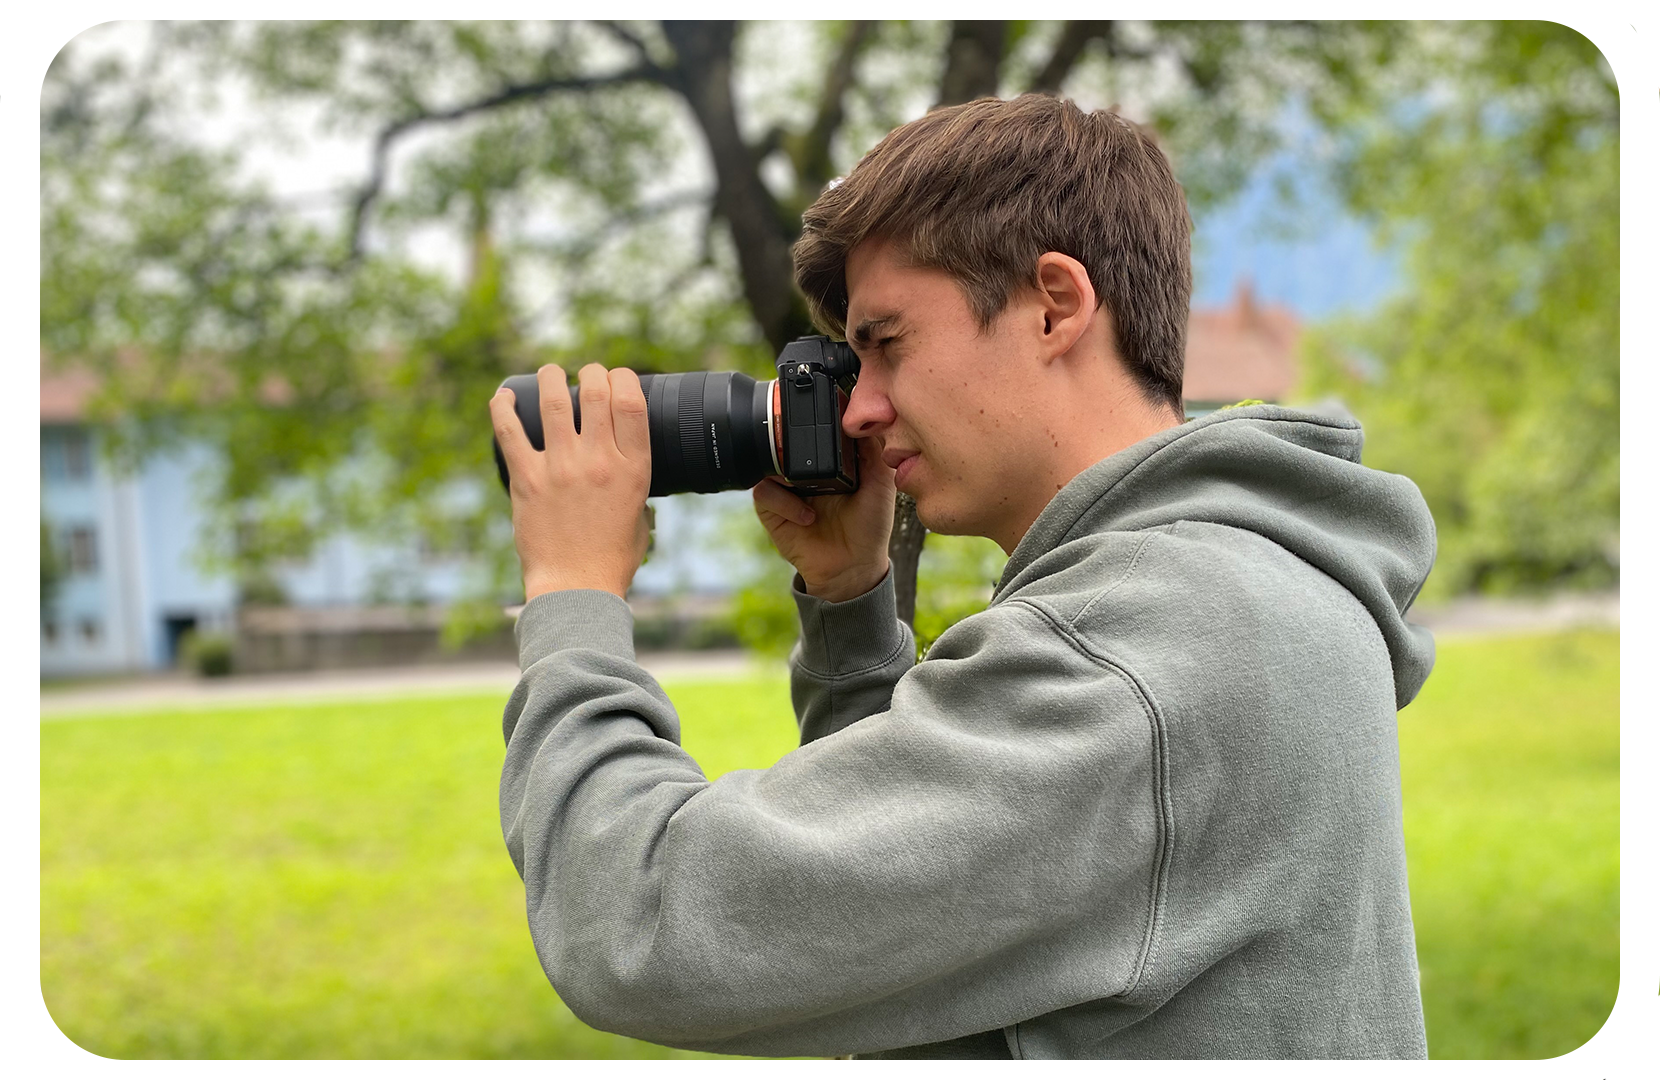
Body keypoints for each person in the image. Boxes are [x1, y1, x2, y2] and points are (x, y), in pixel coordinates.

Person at [488, 93, 1437, 1059]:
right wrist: (854, 612)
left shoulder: (1128, 651)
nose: (860, 411)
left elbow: (642, 926)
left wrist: (573, 588)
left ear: (1054, 307)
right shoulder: (1246, 576)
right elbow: (937, 919)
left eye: (885, 344)